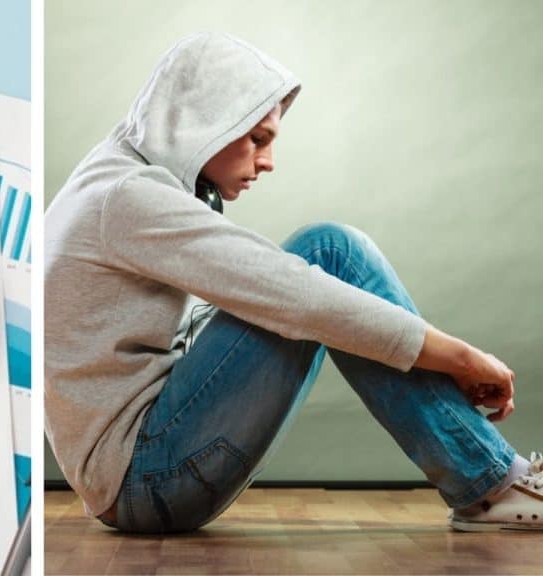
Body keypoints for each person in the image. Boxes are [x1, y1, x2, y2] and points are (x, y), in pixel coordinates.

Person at [44, 32, 540, 534]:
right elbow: (299, 296)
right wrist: (460, 357)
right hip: (147, 478)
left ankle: (490, 481)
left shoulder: (115, 176)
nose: (268, 161)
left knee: (309, 282)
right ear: (202, 122)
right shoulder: (128, 197)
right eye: (257, 138)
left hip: (140, 472)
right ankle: (492, 485)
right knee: (330, 253)